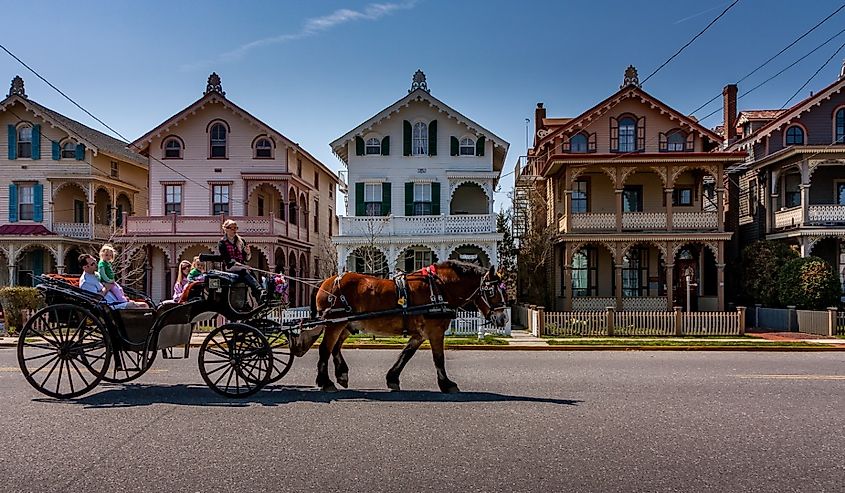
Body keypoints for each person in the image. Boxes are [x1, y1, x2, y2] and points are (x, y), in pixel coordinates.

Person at [78, 254, 148, 309]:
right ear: (85, 267)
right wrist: (106, 289)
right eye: (93, 264)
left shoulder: (97, 274)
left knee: (144, 305)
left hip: (117, 302)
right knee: (134, 306)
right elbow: (95, 299)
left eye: (95, 261)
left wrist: (122, 296)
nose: (96, 264)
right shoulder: (86, 282)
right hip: (109, 307)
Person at [218, 219, 263, 301]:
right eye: (232, 228)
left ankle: (259, 297)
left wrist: (248, 253)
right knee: (244, 271)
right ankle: (259, 290)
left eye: (236, 228)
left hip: (242, 266)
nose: (234, 230)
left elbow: (246, 259)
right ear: (226, 229)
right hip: (230, 267)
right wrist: (240, 265)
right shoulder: (222, 243)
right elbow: (227, 260)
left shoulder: (241, 241)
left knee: (250, 271)